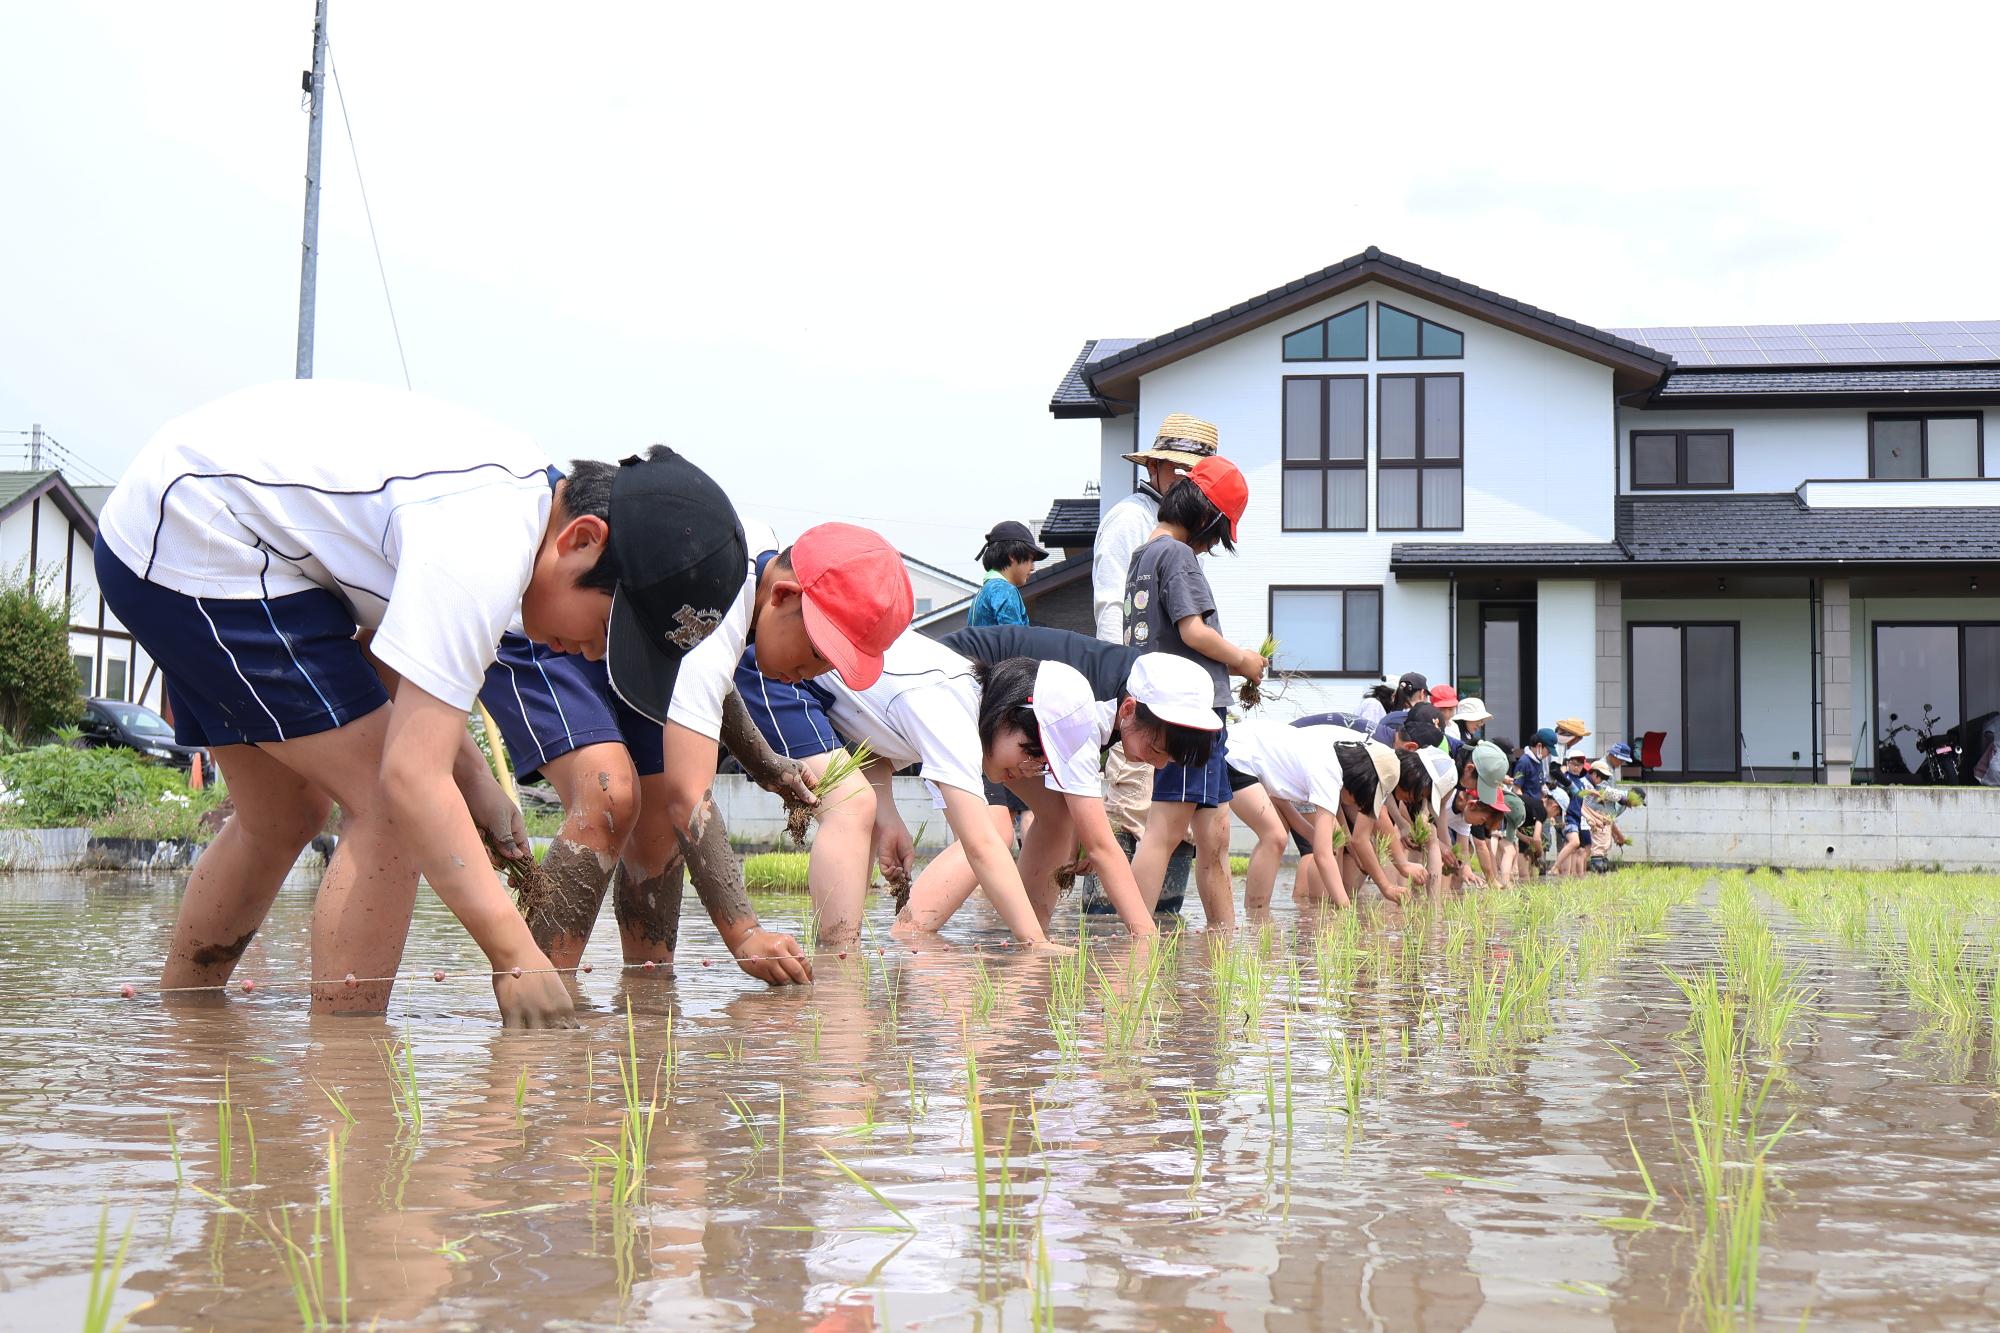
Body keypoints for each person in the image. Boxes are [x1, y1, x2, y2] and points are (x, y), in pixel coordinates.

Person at [95, 380, 747, 1027]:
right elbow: (407, 774)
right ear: (581, 538)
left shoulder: (511, 510)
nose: (590, 652)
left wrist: (480, 788)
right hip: (198, 535)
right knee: (387, 807)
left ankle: (184, 1032)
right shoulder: (486, 541)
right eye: (607, 627)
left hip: (185, 522)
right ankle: (351, 1083)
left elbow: (391, 675)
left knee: (284, 813)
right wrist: (514, 953)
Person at [480, 519, 910, 982]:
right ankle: (538, 998)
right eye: (817, 650)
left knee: (658, 830)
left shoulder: (749, 577)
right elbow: (690, 797)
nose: (812, 673)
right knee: (609, 791)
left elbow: (712, 687)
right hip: (546, 625)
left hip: (628, 654)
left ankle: (646, 1002)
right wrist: (745, 934)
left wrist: (766, 765)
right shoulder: (721, 594)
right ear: (785, 596)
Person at [902, 644, 1223, 937]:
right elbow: (1103, 847)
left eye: (1168, 758)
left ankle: (1029, 938)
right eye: (1156, 749)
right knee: (994, 833)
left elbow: (1081, 816)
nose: (1159, 764)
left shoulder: (1138, 701)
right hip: (981, 696)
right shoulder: (1084, 707)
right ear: (1128, 710)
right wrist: (1145, 936)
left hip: (1016, 717)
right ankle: (912, 931)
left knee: (1056, 816)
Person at [1123, 456, 1262, 927]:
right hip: (1186, 714)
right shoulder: (1177, 555)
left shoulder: (1144, 554)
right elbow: (1194, 633)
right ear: (1206, 519)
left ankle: (1223, 942)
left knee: (1215, 833)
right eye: (1216, 536)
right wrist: (1244, 660)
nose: (1208, 549)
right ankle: (1136, 942)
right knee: (1163, 829)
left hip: (1189, 712)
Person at [1226, 718, 1428, 913]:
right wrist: (1346, 909)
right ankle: (1257, 918)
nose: (1358, 805)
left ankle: (1257, 916)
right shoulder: (1329, 773)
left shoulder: (1337, 764)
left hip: (1246, 749)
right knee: (1274, 836)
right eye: (1361, 800)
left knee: (1280, 835)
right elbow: (1322, 855)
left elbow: (1278, 796)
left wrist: (1314, 835)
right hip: (1238, 753)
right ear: (1359, 783)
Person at [968, 521, 1047, 628]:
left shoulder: (983, 592)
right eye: (1031, 559)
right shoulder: (1005, 590)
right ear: (1013, 556)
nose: (1032, 567)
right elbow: (1015, 640)